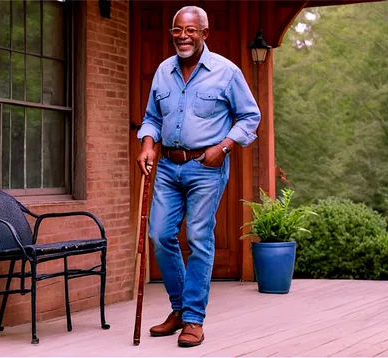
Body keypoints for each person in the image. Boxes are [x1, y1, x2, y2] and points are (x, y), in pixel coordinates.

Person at [136, 5, 261, 348]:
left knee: (198, 237)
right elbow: (151, 118)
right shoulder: (163, 71)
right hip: (167, 167)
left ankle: (193, 318)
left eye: (190, 30)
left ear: (205, 34)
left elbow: (250, 117)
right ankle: (179, 309)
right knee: (160, 235)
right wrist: (148, 143)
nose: (183, 36)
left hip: (206, 166)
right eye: (177, 30)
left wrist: (223, 147)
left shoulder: (226, 72)